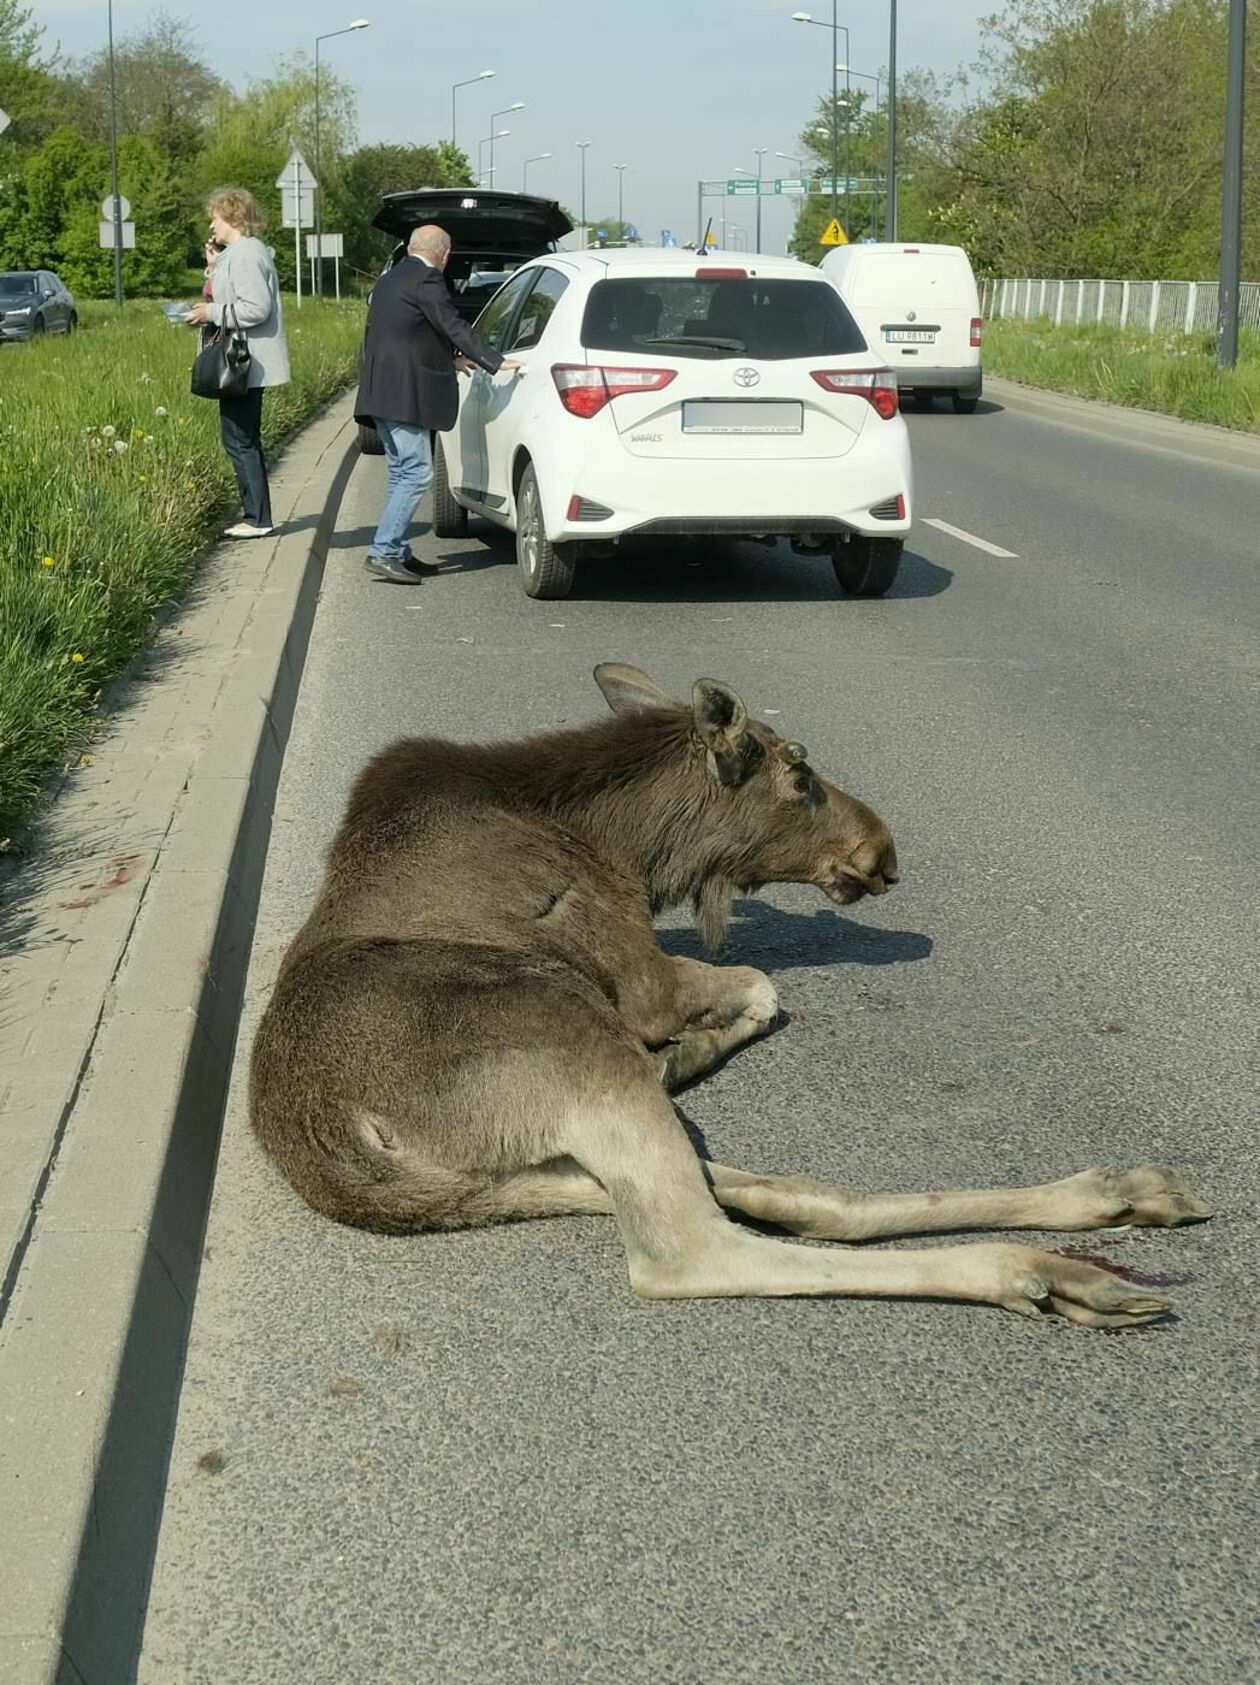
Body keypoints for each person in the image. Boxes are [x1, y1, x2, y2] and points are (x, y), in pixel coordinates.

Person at [354, 223, 518, 584]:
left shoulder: (390, 280)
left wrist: (452, 361)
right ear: (444, 254)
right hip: (404, 393)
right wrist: (496, 360)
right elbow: (452, 325)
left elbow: (409, 334)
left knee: (401, 472)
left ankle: (396, 550)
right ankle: (383, 551)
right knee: (416, 473)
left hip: (381, 389)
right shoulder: (428, 281)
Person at [187, 187, 290, 540]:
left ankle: (258, 518)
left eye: (215, 217)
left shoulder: (247, 254)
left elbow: (256, 308)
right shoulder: (238, 253)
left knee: (240, 439)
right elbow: (228, 292)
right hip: (243, 359)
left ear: (231, 216)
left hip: (245, 362)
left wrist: (210, 312)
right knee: (240, 437)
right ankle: (256, 514)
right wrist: (214, 267)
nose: (211, 225)